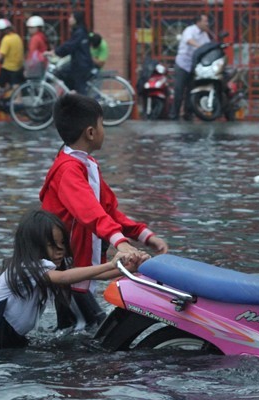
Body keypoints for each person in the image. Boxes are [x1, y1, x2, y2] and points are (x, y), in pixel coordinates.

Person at [39, 93, 169, 330]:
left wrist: (143, 235)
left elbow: (107, 210)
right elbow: (90, 212)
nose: (104, 131)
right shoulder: (68, 170)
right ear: (90, 132)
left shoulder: (86, 164)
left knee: (84, 327)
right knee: (85, 329)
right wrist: (120, 242)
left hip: (80, 266)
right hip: (69, 265)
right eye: (102, 125)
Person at [0, 209, 145, 350]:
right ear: (34, 245)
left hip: (1, 330)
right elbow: (64, 277)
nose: (60, 250)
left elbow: (93, 273)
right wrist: (111, 264)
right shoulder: (26, 268)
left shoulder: (45, 269)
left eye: (62, 243)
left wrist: (126, 269)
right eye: (53, 245)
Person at [169, 14, 210, 120]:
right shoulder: (189, 30)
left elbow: (208, 46)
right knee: (179, 90)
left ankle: (188, 114)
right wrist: (200, 47)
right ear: (198, 22)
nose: (207, 23)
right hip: (183, 64)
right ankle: (174, 114)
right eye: (205, 21)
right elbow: (189, 40)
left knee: (191, 91)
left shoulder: (204, 34)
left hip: (194, 65)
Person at [45, 12, 94, 94]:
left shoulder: (80, 32)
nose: (69, 19)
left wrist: (55, 52)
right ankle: (72, 93)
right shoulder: (79, 30)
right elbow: (69, 44)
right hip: (79, 62)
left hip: (81, 64)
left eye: (71, 17)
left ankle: (82, 102)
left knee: (80, 88)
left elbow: (70, 45)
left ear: (76, 20)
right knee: (63, 72)